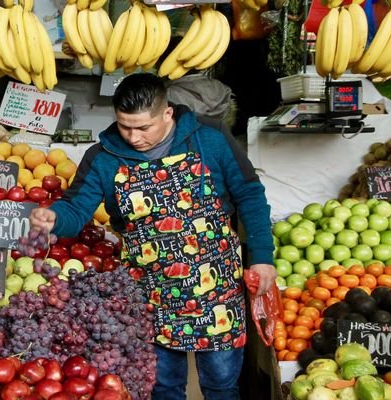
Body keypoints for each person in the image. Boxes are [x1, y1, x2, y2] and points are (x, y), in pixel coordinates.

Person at [29, 73, 276, 400]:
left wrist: (262, 257)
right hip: (148, 291)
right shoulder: (102, 157)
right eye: (124, 126)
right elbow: (77, 210)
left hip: (215, 289)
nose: (133, 137)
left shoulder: (210, 138)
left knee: (221, 383)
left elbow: (249, 194)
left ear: (167, 114)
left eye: (143, 127)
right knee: (162, 386)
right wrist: (54, 217)